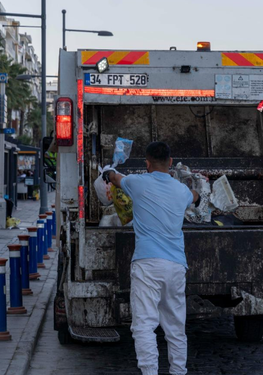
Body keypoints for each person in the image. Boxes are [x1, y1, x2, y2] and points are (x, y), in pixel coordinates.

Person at [103, 141, 199, 375]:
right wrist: (199, 189)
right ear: (171, 162)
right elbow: (194, 196)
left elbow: (115, 179)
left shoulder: (138, 183)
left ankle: (150, 372)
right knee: (176, 327)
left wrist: (108, 170)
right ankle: (178, 372)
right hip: (176, 265)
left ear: (146, 163)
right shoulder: (181, 191)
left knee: (144, 325)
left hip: (147, 265)